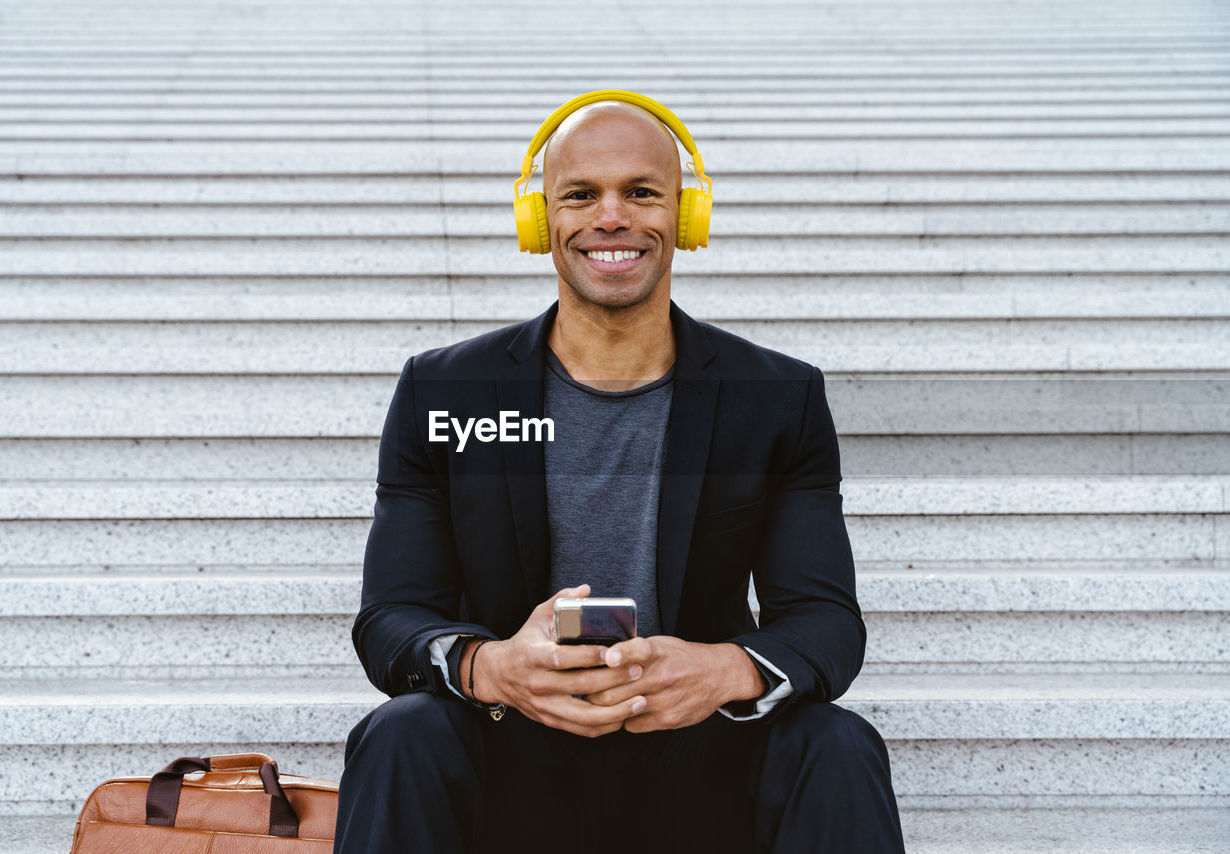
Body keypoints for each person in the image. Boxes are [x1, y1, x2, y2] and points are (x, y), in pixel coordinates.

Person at [334, 90, 905, 854]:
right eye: (581, 194)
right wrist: (493, 668)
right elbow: (392, 616)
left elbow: (828, 624)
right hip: (513, 758)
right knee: (400, 733)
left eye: (641, 192)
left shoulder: (776, 398)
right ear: (540, 220)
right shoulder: (446, 393)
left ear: (686, 215)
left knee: (837, 742)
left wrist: (722, 669)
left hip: (698, 763)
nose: (611, 218)